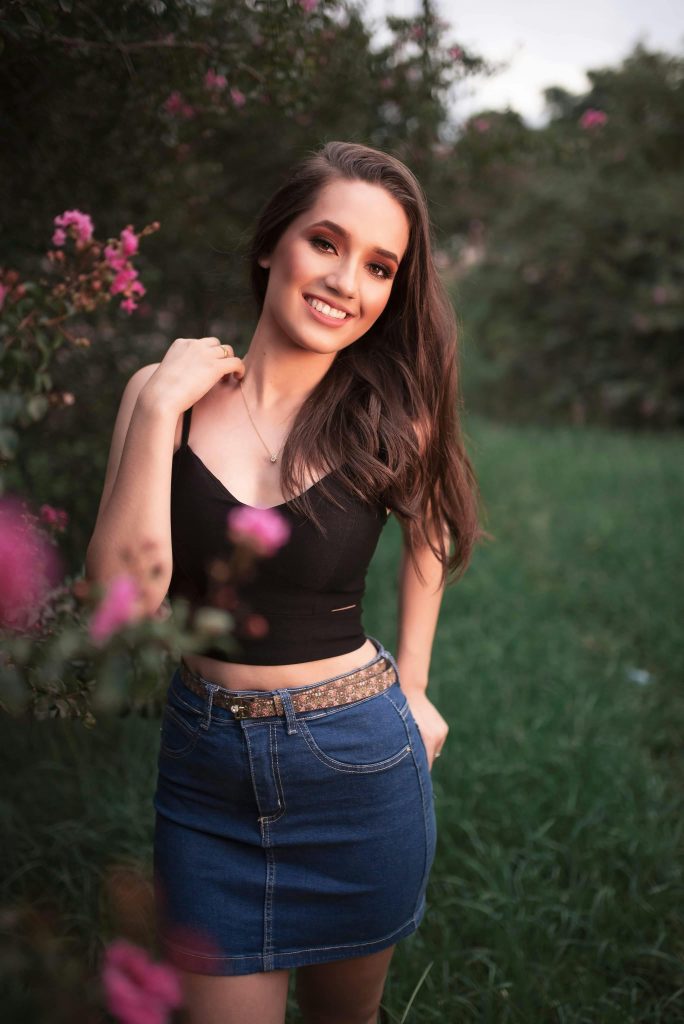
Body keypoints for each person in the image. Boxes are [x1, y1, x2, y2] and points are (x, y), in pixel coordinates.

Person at [86, 141, 484, 1024]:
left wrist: (415, 685)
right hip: (205, 780)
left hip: (359, 770)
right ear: (273, 242)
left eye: (380, 267)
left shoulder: (390, 417)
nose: (348, 281)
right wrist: (157, 410)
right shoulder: (163, 396)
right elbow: (120, 604)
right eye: (327, 243)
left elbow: (435, 529)